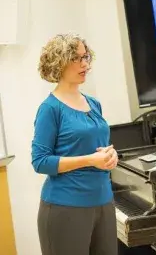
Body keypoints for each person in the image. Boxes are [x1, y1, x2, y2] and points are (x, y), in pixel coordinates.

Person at [31, 33, 118, 255]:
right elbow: (40, 162)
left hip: (103, 202)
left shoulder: (94, 103)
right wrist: (90, 160)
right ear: (59, 63)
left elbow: (98, 146)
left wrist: (111, 156)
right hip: (66, 207)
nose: (85, 64)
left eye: (86, 57)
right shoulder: (50, 109)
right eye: (76, 58)